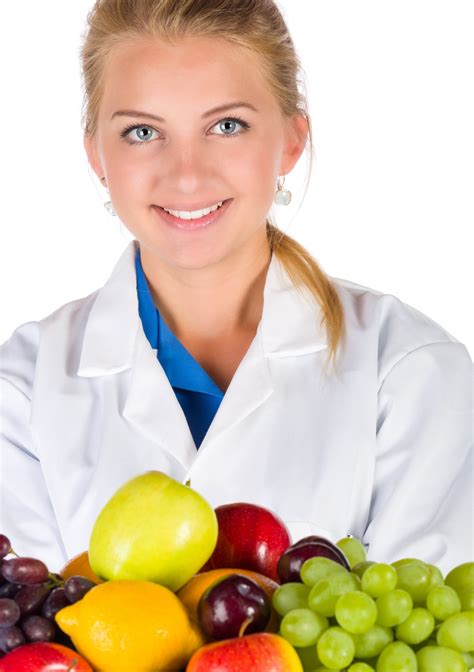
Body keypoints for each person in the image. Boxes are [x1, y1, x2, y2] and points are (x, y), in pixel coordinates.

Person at [0, 0, 472, 576]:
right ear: (97, 153)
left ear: (292, 140)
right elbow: (28, 640)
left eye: (227, 126)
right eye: (142, 131)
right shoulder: (21, 393)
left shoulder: (409, 371)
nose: (188, 174)